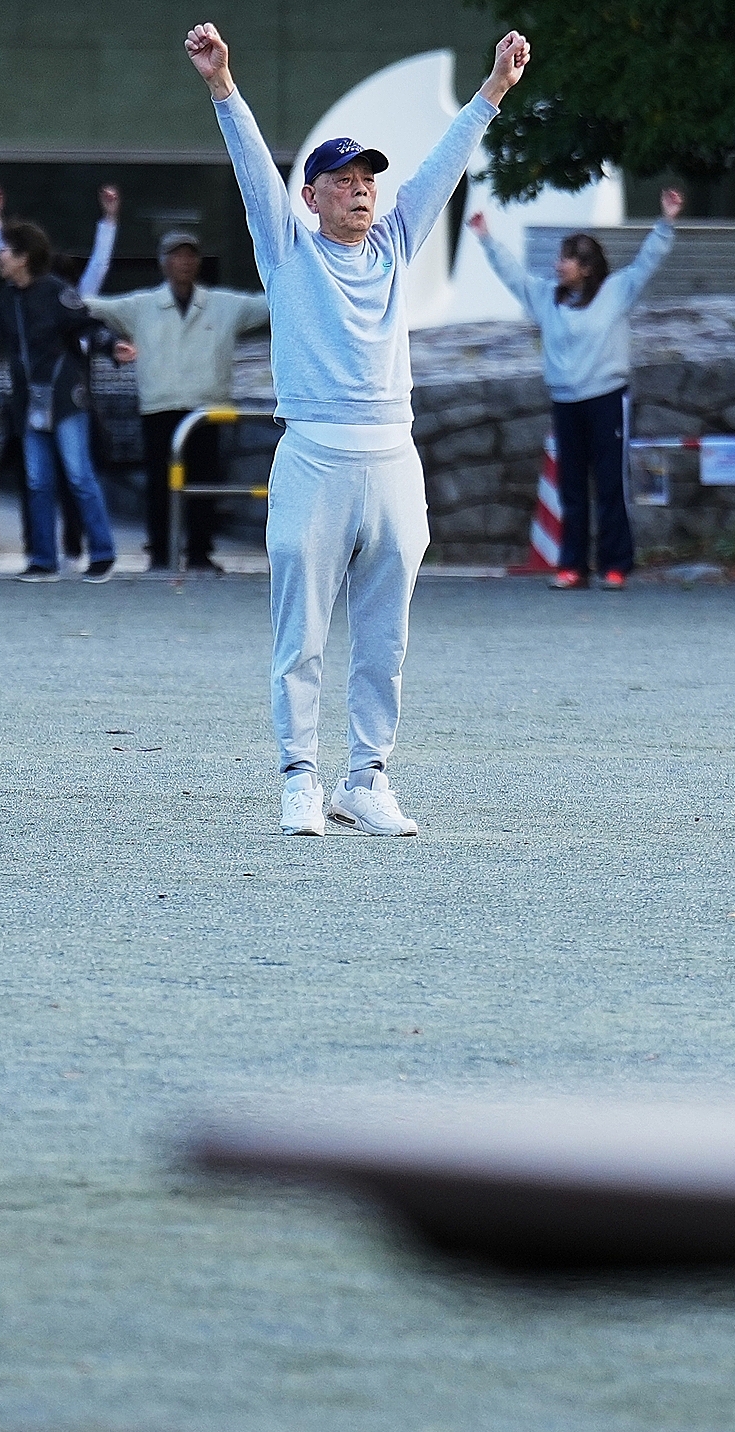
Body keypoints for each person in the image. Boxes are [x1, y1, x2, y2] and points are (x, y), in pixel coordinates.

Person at [189, 20, 528, 837]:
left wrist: (494, 91)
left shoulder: (395, 243)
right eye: (342, 179)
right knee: (299, 630)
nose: (361, 188)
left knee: (386, 637)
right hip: (313, 453)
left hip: (392, 455)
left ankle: (366, 778)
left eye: (367, 177)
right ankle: (299, 778)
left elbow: (443, 169)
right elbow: (251, 173)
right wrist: (221, 85)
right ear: (311, 196)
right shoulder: (287, 248)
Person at [469, 188, 681, 591]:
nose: (557, 264)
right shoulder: (547, 299)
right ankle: (573, 566)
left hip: (606, 399)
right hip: (565, 402)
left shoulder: (616, 292)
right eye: (560, 257)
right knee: (571, 487)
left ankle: (615, 566)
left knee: (610, 484)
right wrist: (486, 239)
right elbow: (513, 275)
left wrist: (666, 221)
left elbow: (647, 262)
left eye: (566, 258)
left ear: (586, 267)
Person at [86, 228, 271, 571]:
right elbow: (92, 308)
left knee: (204, 483)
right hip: (160, 408)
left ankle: (200, 553)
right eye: (176, 255)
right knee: (160, 485)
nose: (183, 262)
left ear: (198, 262)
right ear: (163, 262)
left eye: (189, 255)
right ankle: (160, 553)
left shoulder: (223, 305)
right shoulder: (141, 306)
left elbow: (271, 305)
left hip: (207, 409)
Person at [0, 219, 121, 581]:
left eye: (6, 250)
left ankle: (102, 553)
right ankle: (43, 558)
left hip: (65, 397)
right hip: (28, 403)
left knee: (78, 474)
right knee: (37, 480)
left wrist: (112, 345)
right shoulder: (7, 299)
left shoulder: (55, 291)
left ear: (23, 257)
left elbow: (87, 325)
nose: (0, 257)